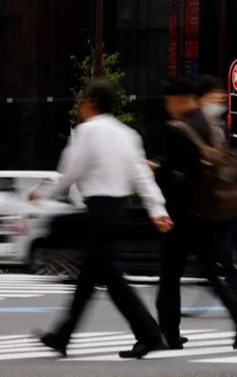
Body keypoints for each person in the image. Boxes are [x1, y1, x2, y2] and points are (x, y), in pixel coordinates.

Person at [31, 79, 172, 359]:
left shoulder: (88, 131)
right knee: (89, 275)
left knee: (110, 276)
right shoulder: (128, 134)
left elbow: (71, 171)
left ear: (92, 102)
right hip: (118, 209)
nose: (80, 108)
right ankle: (63, 335)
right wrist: (158, 210)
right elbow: (142, 177)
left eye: (83, 102)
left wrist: (43, 192)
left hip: (98, 209)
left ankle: (150, 334)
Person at [153, 77, 237, 350]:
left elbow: (176, 176)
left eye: (169, 103)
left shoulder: (177, 129)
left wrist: (158, 171)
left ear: (177, 100)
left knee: (169, 276)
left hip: (182, 215)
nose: (169, 108)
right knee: (212, 273)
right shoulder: (213, 127)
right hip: (213, 212)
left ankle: (170, 333)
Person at [197, 75, 230, 144]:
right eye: (216, 92)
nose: (223, 96)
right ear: (202, 98)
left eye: (222, 92)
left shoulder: (223, 126)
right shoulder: (195, 125)